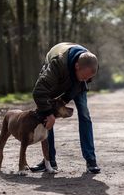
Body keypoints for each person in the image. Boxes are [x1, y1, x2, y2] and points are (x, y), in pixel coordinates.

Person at [30, 42, 101, 174]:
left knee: (85, 115)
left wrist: (65, 99)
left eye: (89, 78)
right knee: (46, 115)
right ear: (77, 66)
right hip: (57, 78)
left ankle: (91, 160)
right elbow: (39, 92)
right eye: (85, 76)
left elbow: (80, 83)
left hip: (75, 83)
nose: (86, 79)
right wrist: (49, 113)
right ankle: (49, 160)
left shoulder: (90, 64)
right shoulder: (57, 65)